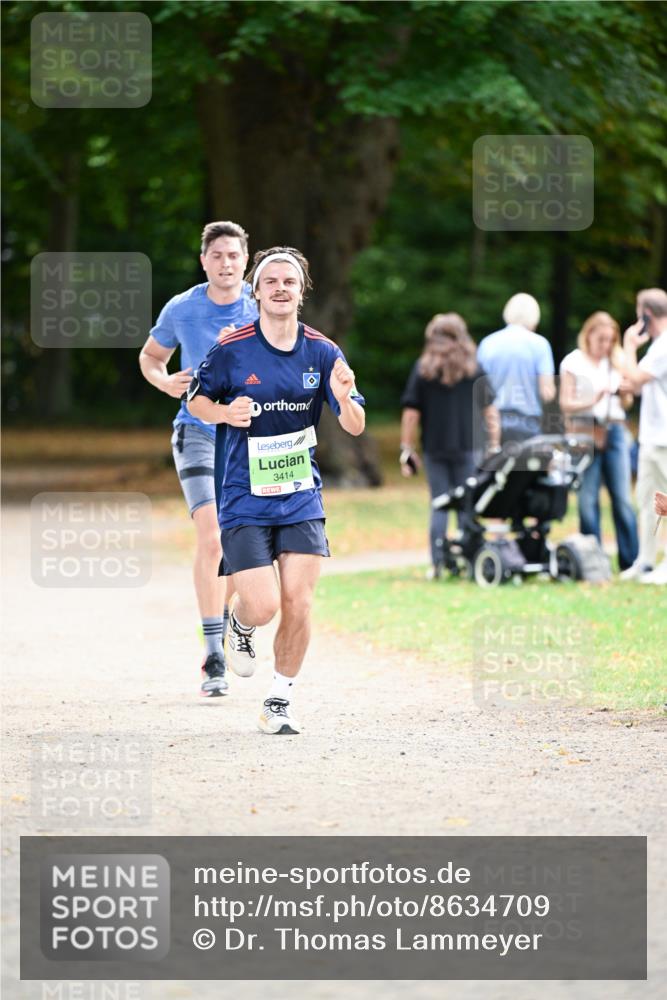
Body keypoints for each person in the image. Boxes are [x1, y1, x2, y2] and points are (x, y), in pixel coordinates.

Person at [186, 246, 365, 734]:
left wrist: (346, 398)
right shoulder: (232, 349)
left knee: (300, 602)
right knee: (263, 605)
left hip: (300, 493)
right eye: (271, 282)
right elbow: (196, 401)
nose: (281, 288)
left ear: (302, 291)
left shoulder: (324, 352)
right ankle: (240, 624)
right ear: (256, 291)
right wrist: (226, 413)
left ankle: (279, 701)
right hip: (243, 494)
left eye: (290, 281)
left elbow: (353, 424)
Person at [139, 221, 258, 695]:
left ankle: (225, 623)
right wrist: (163, 379)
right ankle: (213, 656)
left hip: (247, 436)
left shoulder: (262, 302)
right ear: (204, 260)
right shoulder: (183, 308)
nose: (226, 263)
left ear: (245, 259)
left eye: (234, 255)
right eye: (218, 255)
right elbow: (150, 356)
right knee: (212, 536)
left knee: (234, 540)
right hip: (196, 432)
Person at [399, 313, 499, 579]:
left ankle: (439, 563)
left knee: (440, 504)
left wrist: (406, 448)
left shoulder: (423, 369)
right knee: (468, 504)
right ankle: (470, 559)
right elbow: (491, 411)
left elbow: (411, 413)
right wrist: (495, 444)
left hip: (435, 447)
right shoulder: (474, 369)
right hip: (469, 447)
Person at [559, 311, 638, 571]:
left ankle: (631, 561)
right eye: (601, 339)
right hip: (585, 430)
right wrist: (593, 399)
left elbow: (627, 402)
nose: (605, 345)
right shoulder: (573, 362)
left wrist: (625, 394)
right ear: (589, 334)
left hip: (614, 430)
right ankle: (594, 562)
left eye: (610, 340)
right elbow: (565, 404)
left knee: (622, 498)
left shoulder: (616, 361)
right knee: (587, 500)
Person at [619, 287, 667, 584]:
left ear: (646, 315)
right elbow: (635, 385)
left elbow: (632, 378)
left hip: (665, 438)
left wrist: (628, 344)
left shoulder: (663, 346)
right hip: (651, 437)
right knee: (647, 501)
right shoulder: (657, 346)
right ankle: (645, 561)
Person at [477, 292, 556, 444]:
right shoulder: (540, 344)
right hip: (527, 425)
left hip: (491, 423)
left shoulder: (488, 343)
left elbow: (479, 388)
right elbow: (547, 392)